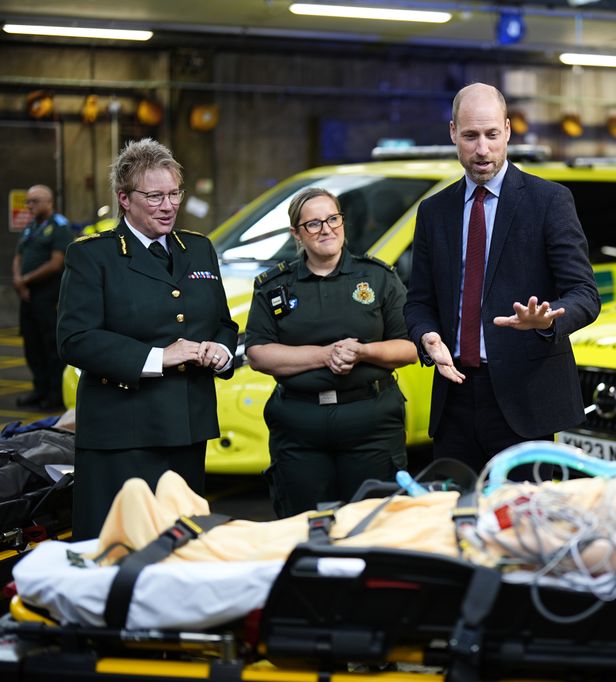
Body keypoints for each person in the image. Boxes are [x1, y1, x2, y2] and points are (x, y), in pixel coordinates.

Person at [92, 418, 616, 577]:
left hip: (493, 546)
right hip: (489, 518)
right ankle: (186, 524)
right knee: (340, 520)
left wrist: (527, 538)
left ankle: (179, 545)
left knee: (332, 546)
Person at [404, 82, 601, 472]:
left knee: (523, 525)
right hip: (454, 397)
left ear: (508, 131)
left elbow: (584, 294)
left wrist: (548, 320)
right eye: (471, 136)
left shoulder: (549, 201)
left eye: (492, 135)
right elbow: (419, 301)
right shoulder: (434, 211)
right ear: (452, 133)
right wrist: (427, 338)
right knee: (456, 518)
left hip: (525, 401)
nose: (482, 149)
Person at [56, 138, 237, 539]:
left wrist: (221, 351)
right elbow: (75, 339)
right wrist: (159, 357)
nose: (169, 205)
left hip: (188, 429)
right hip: (122, 435)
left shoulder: (199, 249)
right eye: (155, 196)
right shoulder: (93, 256)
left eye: (174, 193)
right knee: (117, 550)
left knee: (181, 548)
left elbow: (222, 323)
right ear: (124, 198)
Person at [245, 188, 417, 518]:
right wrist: (325, 355)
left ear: (343, 221)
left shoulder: (378, 277)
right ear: (296, 233)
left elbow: (409, 347)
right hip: (299, 426)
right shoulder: (274, 286)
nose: (326, 229)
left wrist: (363, 351)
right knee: (302, 525)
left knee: (372, 524)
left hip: (371, 423)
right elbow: (258, 354)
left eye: (333, 219)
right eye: (313, 224)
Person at [12, 185, 74, 410]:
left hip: (48, 296)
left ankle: (54, 395)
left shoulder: (59, 227)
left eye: (35, 201)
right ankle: (39, 390)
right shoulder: (30, 227)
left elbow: (56, 263)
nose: (30, 206)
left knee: (50, 346)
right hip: (28, 296)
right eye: (28, 201)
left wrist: (25, 280)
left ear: (49, 202)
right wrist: (19, 280)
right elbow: (19, 255)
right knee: (32, 345)